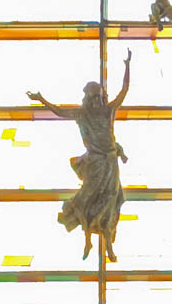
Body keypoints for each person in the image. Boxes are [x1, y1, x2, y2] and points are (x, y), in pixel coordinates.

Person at [26, 52, 133, 262]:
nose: (97, 101)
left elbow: (124, 90)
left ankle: (108, 242)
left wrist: (127, 66)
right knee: (86, 200)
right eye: (93, 97)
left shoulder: (108, 111)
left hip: (110, 163)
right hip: (95, 164)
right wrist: (41, 99)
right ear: (87, 98)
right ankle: (88, 239)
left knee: (112, 200)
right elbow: (59, 111)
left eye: (99, 97)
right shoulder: (81, 114)